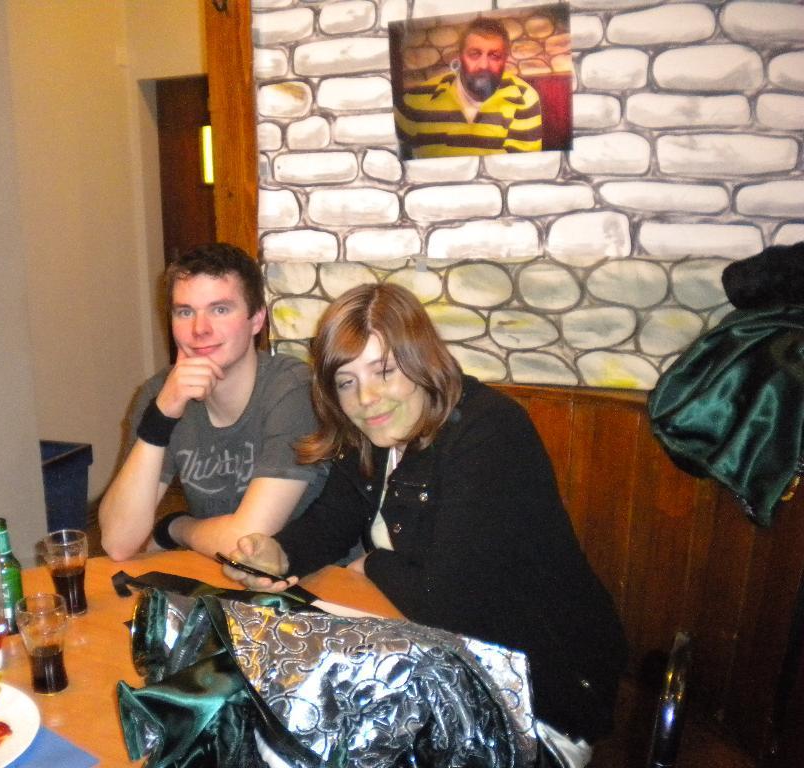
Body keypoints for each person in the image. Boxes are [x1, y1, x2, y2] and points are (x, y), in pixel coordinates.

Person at [222, 283, 628, 766]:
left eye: (384, 371)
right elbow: (331, 522)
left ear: (421, 360)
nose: (366, 398)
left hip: (541, 704)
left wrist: (373, 563)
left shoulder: (489, 432)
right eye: (346, 382)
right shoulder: (375, 436)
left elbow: (448, 601)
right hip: (451, 666)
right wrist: (279, 554)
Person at [99, 243, 327, 561]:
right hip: (219, 573)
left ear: (257, 319)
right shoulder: (160, 394)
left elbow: (247, 544)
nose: (200, 329)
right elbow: (117, 542)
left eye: (220, 309)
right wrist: (161, 417)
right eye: (185, 312)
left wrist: (177, 528)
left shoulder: (292, 390)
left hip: (313, 578)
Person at [395, 17, 543, 157]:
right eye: (474, 54)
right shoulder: (415, 100)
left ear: (505, 59)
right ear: (460, 56)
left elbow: (521, 168)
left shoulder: (524, 98)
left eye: (494, 56)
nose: (483, 65)